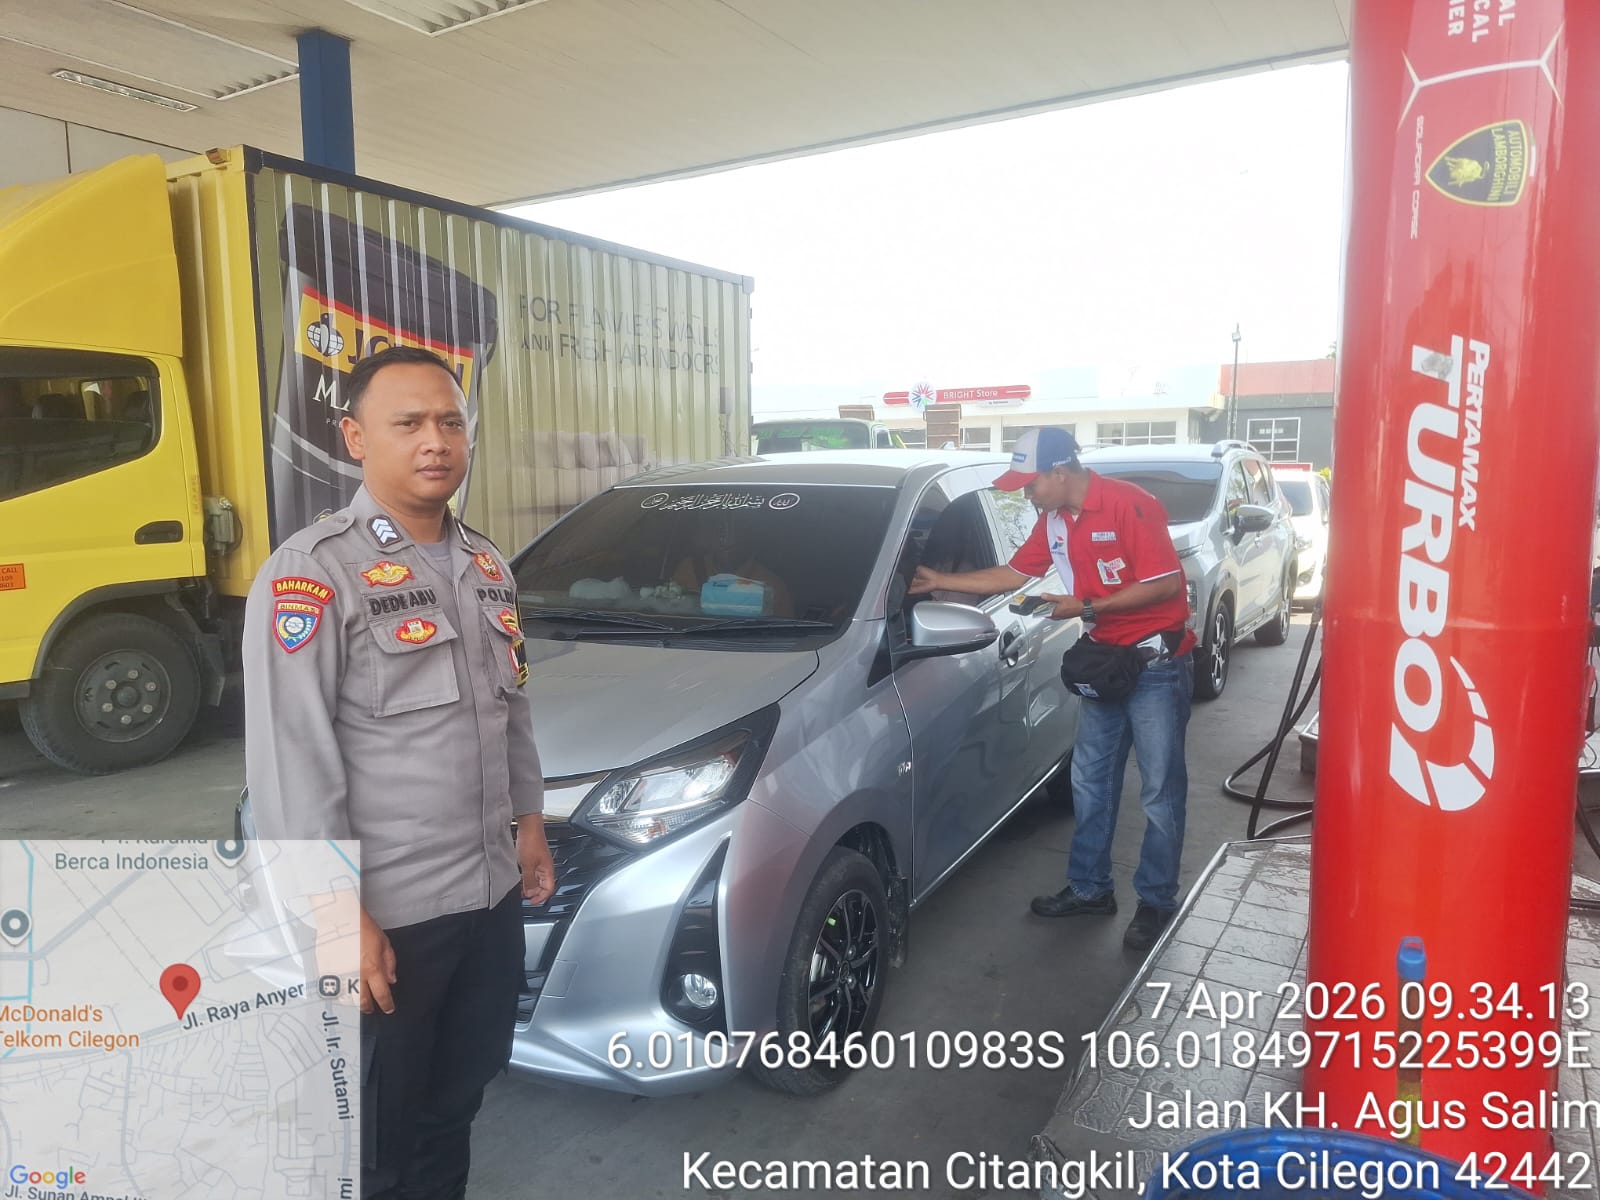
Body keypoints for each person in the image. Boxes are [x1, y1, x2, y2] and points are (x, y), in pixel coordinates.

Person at [243, 345, 555, 1199]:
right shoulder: (312, 573)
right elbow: (291, 761)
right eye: (408, 423)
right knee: (373, 1139)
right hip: (389, 915)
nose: (435, 441)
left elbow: (510, 708)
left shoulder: (486, 564)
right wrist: (335, 914)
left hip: (487, 898)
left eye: (450, 422)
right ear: (355, 438)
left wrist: (530, 822)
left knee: (453, 1110)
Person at [909, 427, 1195, 952]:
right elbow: (1013, 573)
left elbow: (1165, 583)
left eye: (1031, 483)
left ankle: (1157, 900)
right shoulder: (1055, 520)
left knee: (1159, 789)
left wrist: (1086, 606)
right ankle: (1090, 889)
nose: (1026, 494)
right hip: (1104, 664)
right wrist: (938, 582)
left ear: (1060, 472)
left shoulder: (1130, 505)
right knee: (1090, 782)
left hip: (1155, 665)